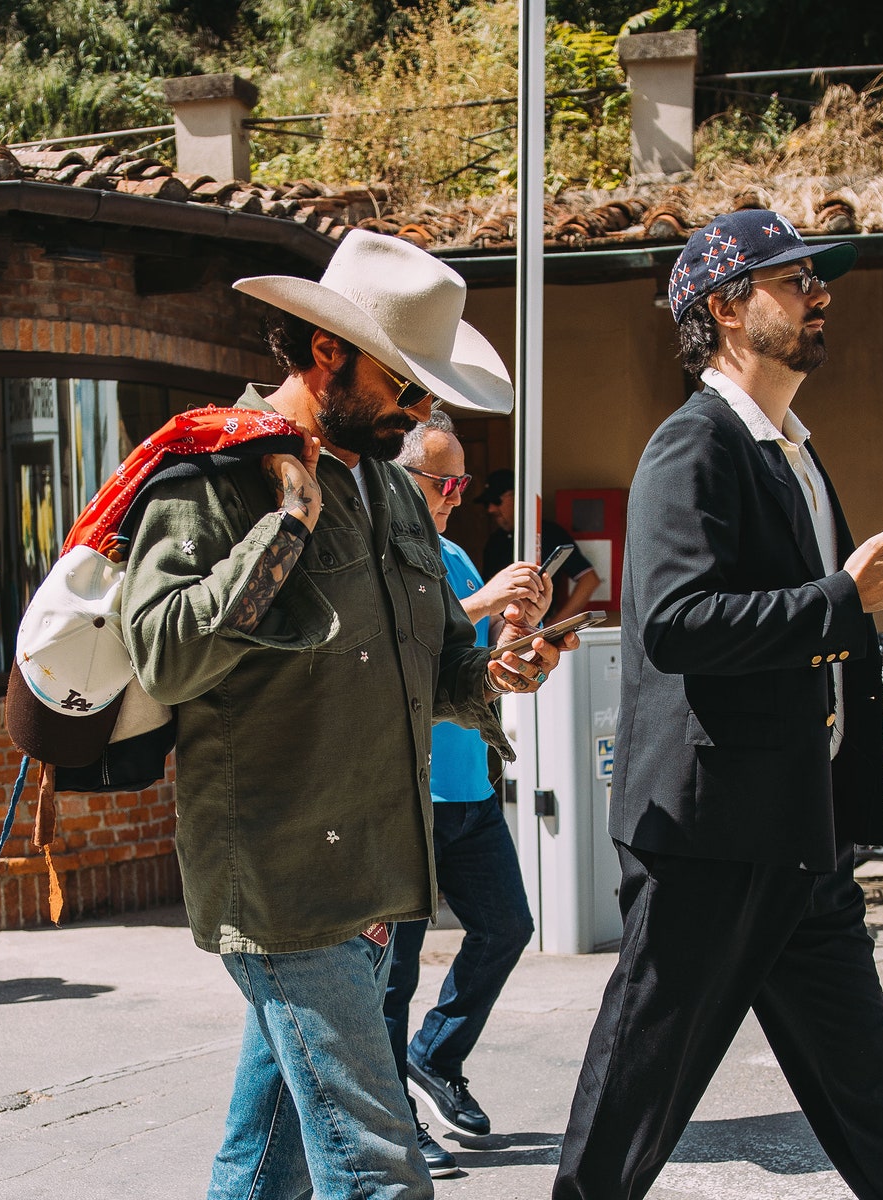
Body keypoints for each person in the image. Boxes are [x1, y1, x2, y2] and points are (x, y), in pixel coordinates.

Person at [120, 230, 576, 1200]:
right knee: (379, 1171)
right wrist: (287, 526)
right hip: (284, 881)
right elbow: (161, 652)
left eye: (423, 396)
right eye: (403, 387)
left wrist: (500, 668)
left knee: (264, 1168)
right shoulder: (216, 469)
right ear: (327, 351)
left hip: (377, 879)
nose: (416, 415)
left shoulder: (388, 488)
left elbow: (438, 660)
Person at [553, 209, 883, 1200]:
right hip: (708, 837)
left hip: (796, 831)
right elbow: (676, 624)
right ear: (728, 307)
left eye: (820, 279)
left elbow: (808, 625)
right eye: (796, 280)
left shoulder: (796, 455)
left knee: (872, 1099)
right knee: (632, 1108)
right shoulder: (692, 448)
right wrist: (843, 599)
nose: (821, 294)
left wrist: (869, 600)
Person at [386, 410, 551, 1177]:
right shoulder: (382, 557)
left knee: (507, 926)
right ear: (400, 476)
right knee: (394, 975)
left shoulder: (452, 554)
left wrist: (526, 641)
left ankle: (435, 1053)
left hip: (467, 788)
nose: (454, 496)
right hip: (403, 801)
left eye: (460, 482)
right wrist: (484, 602)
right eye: (441, 481)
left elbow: (474, 675)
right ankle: (396, 1123)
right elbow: (408, 653)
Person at [477, 468, 600, 623]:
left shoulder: (549, 533)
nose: (491, 509)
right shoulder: (494, 542)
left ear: (518, 497)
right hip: (498, 634)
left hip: (536, 629)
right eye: (487, 504)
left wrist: (553, 626)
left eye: (496, 501)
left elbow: (588, 580)